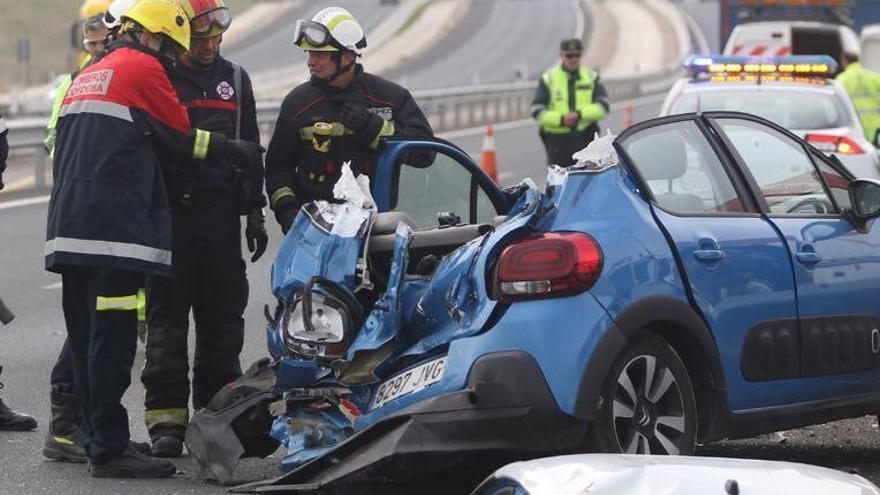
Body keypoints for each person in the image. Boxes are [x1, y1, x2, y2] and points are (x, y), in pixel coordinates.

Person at [46, 0, 262, 478]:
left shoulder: (94, 69)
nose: (172, 58)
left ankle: (101, 438)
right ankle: (109, 449)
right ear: (153, 36)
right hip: (114, 234)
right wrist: (236, 150)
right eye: (170, 47)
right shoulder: (142, 68)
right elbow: (184, 139)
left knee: (85, 339)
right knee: (113, 340)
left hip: (69, 228)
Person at [140, 0, 268, 458]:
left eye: (217, 35)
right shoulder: (160, 78)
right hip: (171, 219)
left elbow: (251, 148)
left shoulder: (235, 79)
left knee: (222, 322)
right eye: (200, 37)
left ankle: (216, 416)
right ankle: (166, 424)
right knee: (167, 323)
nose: (211, 44)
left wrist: (255, 210)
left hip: (220, 221)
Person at [265, 6, 432, 233]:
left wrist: (375, 129)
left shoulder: (390, 99)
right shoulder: (297, 104)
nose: (310, 62)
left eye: (320, 55)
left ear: (347, 56)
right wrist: (287, 212)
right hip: (316, 233)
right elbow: (277, 170)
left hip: (379, 233)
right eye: (309, 54)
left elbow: (426, 154)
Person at [42, 3, 112, 464]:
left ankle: (85, 424)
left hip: (98, 214)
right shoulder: (82, 81)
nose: (98, 35)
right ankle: (69, 422)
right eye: (92, 27)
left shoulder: (101, 76)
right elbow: (56, 142)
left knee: (101, 331)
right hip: (96, 217)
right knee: (92, 327)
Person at [531, 38, 609, 167]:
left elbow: (603, 107)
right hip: (557, 142)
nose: (573, 59)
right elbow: (537, 111)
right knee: (559, 184)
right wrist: (561, 119)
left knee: (587, 182)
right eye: (569, 55)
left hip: (585, 139)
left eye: (577, 55)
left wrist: (579, 115)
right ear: (561, 55)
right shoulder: (549, 78)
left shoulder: (591, 76)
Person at [837, 51, 880, 144]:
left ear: (845, 61)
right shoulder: (873, 76)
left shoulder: (841, 79)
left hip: (855, 124)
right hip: (875, 123)